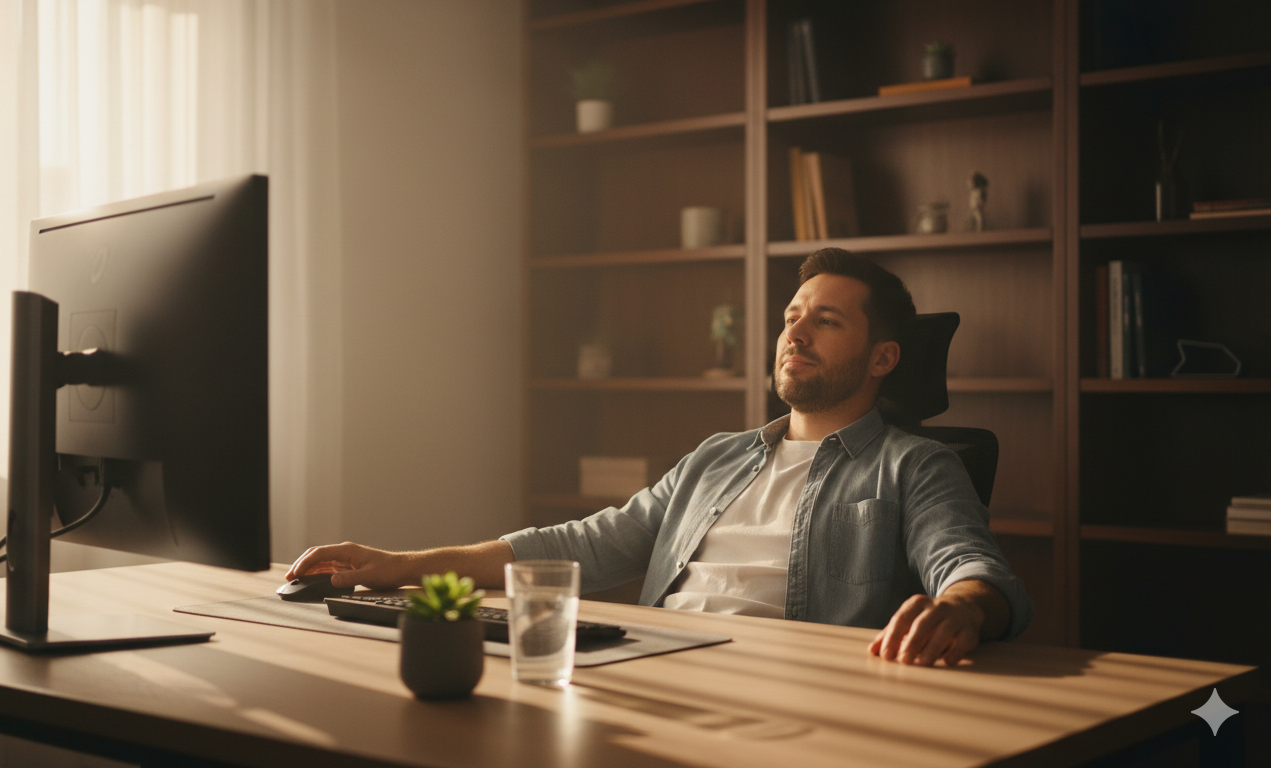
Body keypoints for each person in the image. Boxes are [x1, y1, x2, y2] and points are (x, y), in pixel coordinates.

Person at [287, 248, 1033, 667]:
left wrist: (958, 613)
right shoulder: (718, 458)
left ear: (883, 359)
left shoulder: (915, 465)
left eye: (826, 322)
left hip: (796, 687)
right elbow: (581, 544)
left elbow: (973, 570)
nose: (794, 335)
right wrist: (396, 564)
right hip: (658, 663)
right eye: (790, 318)